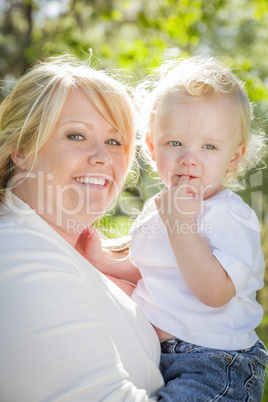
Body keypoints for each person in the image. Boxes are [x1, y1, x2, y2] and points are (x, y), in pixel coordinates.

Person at [78, 56, 268, 401]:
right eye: (175, 143)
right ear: (152, 147)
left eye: (209, 146)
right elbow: (152, 268)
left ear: (234, 157)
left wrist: (181, 225)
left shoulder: (231, 215)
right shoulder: (158, 207)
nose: (188, 158)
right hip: (160, 354)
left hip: (215, 361)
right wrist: (105, 263)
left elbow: (216, 292)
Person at [0, 54, 164, 401]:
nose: (103, 156)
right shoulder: (18, 253)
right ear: (21, 150)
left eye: (115, 141)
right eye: (76, 135)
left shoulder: (82, 257)